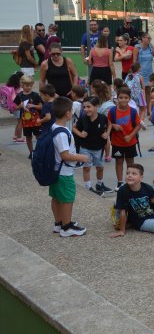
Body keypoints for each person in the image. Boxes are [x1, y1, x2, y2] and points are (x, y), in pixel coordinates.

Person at [48, 97, 91, 237]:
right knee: (67, 198)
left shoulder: (54, 127)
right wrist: (81, 157)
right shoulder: (62, 132)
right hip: (64, 172)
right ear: (68, 114)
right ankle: (66, 227)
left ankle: (58, 223)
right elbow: (65, 155)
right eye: (72, 109)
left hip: (55, 170)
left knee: (56, 196)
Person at [73, 96, 112, 197]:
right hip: (85, 147)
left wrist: (107, 133)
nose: (86, 109)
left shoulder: (102, 118)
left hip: (98, 148)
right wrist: (80, 134)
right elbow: (74, 128)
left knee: (100, 167)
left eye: (89, 107)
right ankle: (88, 187)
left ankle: (99, 184)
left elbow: (110, 124)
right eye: (84, 107)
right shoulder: (83, 118)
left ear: (96, 107)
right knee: (86, 168)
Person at [107, 87, 142, 193]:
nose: (123, 100)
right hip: (117, 142)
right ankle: (119, 182)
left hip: (130, 142)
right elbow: (108, 123)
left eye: (125, 97)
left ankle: (131, 180)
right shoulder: (112, 111)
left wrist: (131, 136)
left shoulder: (133, 111)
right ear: (117, 98)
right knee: (119, 162)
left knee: (130, 163)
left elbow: (138, 125)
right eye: (120, 97)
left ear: (129, 98)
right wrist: (113, 125)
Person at [15, 75, 43, 157]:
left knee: (38, 136)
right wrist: (20, 105)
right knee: (28, 137)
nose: (29, 87)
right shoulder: (19, 96)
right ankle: (31, 152)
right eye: (27, 85)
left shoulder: (36, 95)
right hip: (25, 121)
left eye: (31, 85)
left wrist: (33, 106)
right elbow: (15, 108)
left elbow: (41, 106)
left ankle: (40, 151)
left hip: (36, 120)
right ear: (22, 85)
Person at [133, 32, 154, 107]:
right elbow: (134, 61)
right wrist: (134, 73)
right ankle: (141, 107)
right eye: (148, 38)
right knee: (140, 91)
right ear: (143, 38)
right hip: (140, 73)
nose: (149, 40)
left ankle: (148, 108)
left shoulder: (150, 46)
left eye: (150, 38)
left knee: (148, 90)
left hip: (149, 72)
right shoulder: (137, 48)